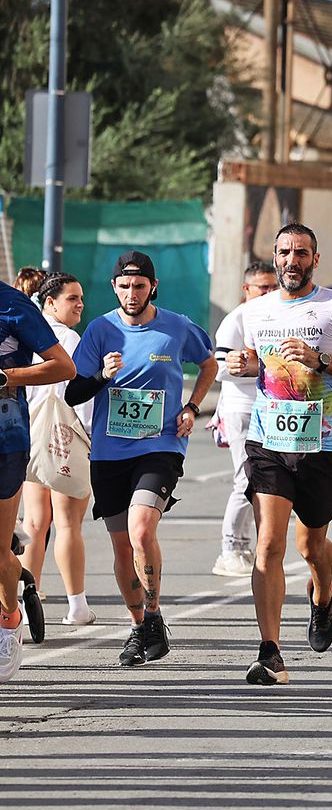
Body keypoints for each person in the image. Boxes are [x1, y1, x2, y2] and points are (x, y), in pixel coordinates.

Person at [226, 223, 332, 686]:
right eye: (285, 253)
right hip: (269, 440)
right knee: (269, 543)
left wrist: (321, 360)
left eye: (301, 253)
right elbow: (255, 361)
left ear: (316, 259)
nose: (292, 260)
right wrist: (243, 365)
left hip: (322, 444)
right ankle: (270, 651)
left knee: (310, 545)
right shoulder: (254, 311)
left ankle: (323, 593)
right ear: (274, 258)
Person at [64, 252, 217, 667]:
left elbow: (208, 363)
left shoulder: (177, 326)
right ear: (115, 288)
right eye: (125, 286)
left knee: (141, 527)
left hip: (161, 446)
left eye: (140, 285)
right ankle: (140, 627)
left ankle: (153, 615)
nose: (132, 293)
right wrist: (101, 377)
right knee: (120, 545)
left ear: (152, 287)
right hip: (110, 452)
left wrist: (192, 406)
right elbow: (73, 393)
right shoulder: (100, 330)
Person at [0, 280, 77, 682]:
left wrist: (6, 377)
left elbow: (64, 366)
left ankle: (9, 618)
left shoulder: (12, 305)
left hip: (4, 440)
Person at [19, 271, 96, 626]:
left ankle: (22, 599)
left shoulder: (26, 335)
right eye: (72, 298)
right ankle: (76, 605)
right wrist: (92, 438)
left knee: (34, 523)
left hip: (32, 436)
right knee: (67, 524)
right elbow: (79, 397)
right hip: (65, 436)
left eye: (81, 298)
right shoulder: (68, 339)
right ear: (50, 302)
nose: (79, 304)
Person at [211, 261, 279, 577]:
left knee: (265, 481)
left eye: (272, 286)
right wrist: (254, 366)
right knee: (246, 478)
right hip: (242, 409)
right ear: (246, 290)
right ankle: (229, 549)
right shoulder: (236, 320)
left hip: (271, 410)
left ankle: (244, 545)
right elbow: (219, 367)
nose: (268, 292)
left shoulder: (275, 315)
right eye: (262, 287)